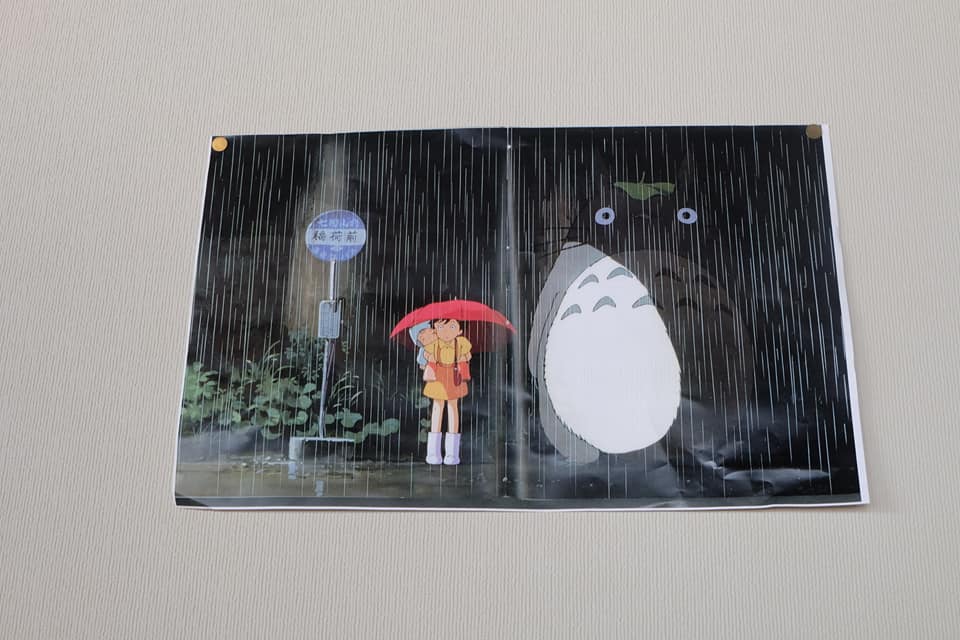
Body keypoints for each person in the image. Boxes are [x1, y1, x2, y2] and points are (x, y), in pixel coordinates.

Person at [420, 319, 471, 465]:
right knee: (437, 408)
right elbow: (426, 355)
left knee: (453, 408)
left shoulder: (461, 343)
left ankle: (452, 454)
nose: (447, 332)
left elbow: (467, 355)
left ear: (460, 331)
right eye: (442, 327)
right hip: (438, 377)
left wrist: (463, 357)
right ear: (435, 329)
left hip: (454, 376)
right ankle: (433, 453)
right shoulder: (434, 343)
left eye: (452, 327)